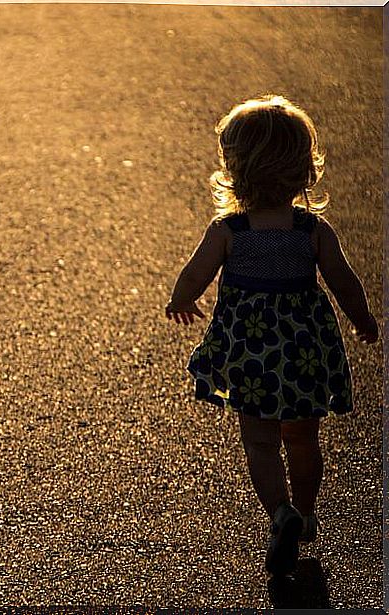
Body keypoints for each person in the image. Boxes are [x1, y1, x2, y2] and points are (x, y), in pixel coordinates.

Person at [164, 94, 379, 577]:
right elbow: (344, 280)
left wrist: (182, 300)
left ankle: (279, 513)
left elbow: (194, 274)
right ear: (305, 169)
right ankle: (304, 515)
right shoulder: (311, 231)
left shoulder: (230, 231)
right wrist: (362, 318)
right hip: (304, 353)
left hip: (251, 355)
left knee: (260, 441)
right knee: (302, 438)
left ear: (234, 168)